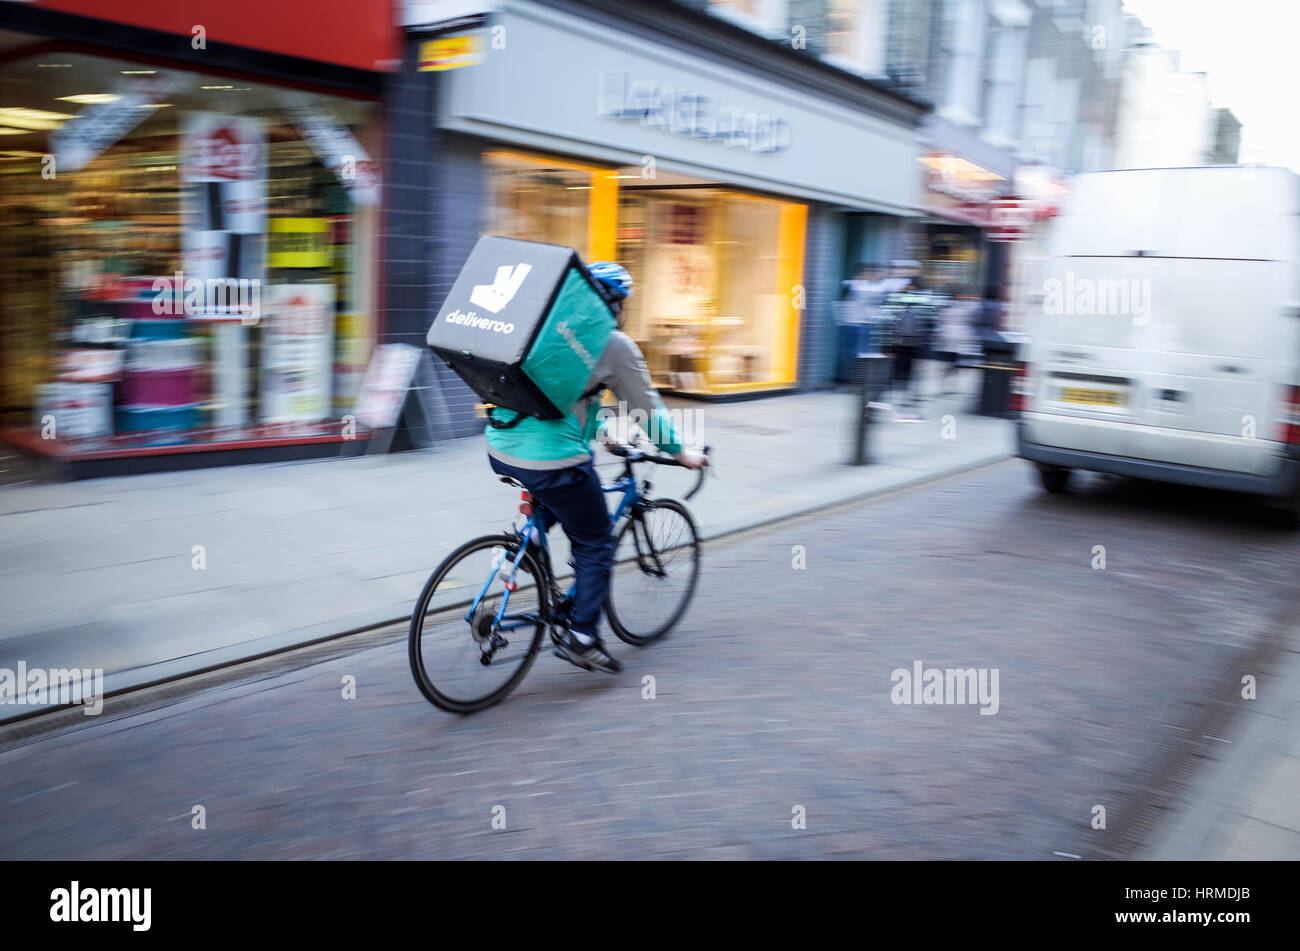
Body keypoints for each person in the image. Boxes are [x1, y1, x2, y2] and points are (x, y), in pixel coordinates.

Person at [484, 261, 708, 675]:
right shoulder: (613, 343)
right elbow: (646, 411)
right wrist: (680, 453)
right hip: (552, 459)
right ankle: (583, 637)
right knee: (596, 542)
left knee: (558, 497)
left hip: (500, 444)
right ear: (616, 305)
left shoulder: (550, 329)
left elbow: (561, 395)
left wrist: (602, 429)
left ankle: (527, 544)